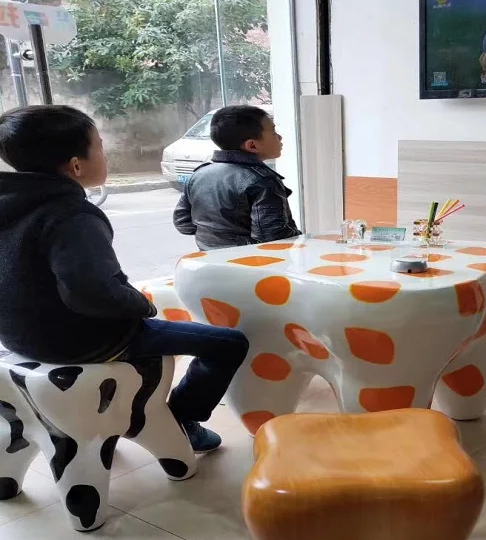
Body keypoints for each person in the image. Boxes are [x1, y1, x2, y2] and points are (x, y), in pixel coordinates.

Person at [0, 105, 249, 453]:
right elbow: (92, 293)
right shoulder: (71, 216)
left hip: (18, 338)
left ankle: (108, 418)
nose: (105, 155)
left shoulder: (10, 204)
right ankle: (180, 421)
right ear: (76, 165)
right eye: (100, 147)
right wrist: (142, 306)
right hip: (80, 341)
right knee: (229, 343)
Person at [173, 105, 301, 250]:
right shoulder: (263, 180)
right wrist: (303, 238)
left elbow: (183, 224)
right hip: (251, 261)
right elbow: (273, 236)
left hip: (208, 260)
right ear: (252, 145)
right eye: (273, 132)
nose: (280, 137)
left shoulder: (198, 175)